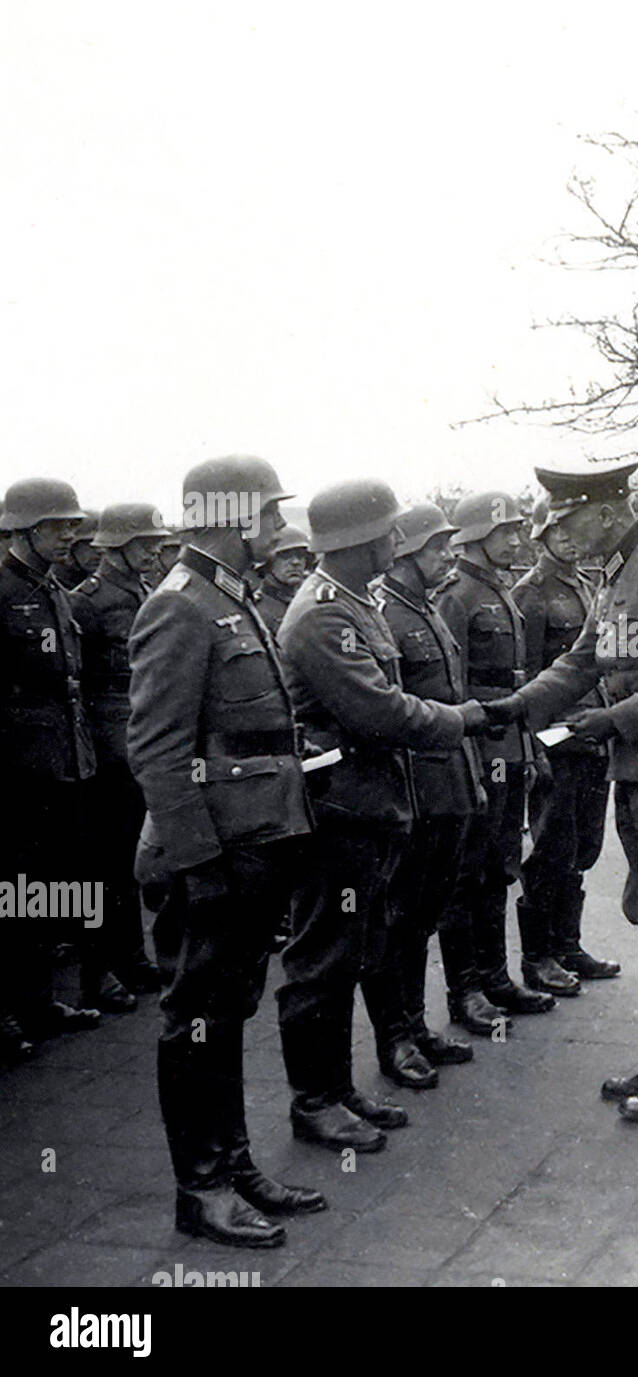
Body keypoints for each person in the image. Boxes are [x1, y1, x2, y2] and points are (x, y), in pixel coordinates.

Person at [485, 461, 638, 1121]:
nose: (560, 533)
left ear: (607, 509)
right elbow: (580, 661)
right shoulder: (619, 574)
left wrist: (614, 721)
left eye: (568, 519)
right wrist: (518, 706)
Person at [128, 456, 322, 1249]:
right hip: (213, 853)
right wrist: (198, 863)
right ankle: (200, 1187)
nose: (279, 530)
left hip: (252, 842)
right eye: (270, 516)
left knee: (229, 1008)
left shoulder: (227, 598)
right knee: (196, 1018)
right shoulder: (179, 608)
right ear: (235, 518)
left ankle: (234, 1163)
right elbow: (158, 749)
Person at [275, 480, 486, 1152]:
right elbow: (378, 709)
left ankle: (336, 1090)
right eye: (390, 533)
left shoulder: (353, 604)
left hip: (369, 807)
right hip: (337, 811)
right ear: (359, 541)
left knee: (351, 949)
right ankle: (314, 1101)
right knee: (322, 959)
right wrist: (459, 718)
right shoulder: (321, 616)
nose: (398, 543)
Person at [364, 502, 483, 1076]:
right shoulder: (384, 612)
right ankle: (396, 1039)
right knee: (397, 915)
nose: (449, 556)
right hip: (412, 789)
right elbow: (393, 711)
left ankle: (415, 1023)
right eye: (438, 547)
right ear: (407, 552)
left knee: (425, 912)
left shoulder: (428, 608)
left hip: (448, 784)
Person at [435, 492, 556, 1021]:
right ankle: (466, 992)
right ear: (477, 535)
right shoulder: (456, 595)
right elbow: (452, 689)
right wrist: (468, 758)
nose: (516, 539)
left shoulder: (498, 589)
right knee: (467, 873)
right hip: (476, 751)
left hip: (506, 746)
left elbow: (518, 683)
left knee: (500, 867)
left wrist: (527, 748)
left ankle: (495, 978)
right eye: (506, 531)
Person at [0, 479, 102, 1045]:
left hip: (63, 756)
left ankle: (38, 1003)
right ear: (26, 529)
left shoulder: (53, 590)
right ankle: (7, 1011)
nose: (70, 534)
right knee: (13, 889)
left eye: (71, 524)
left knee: (48, 888)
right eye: (58, 526)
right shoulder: (2, 590)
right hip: (18, 768)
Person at [513, 497, 619, 987]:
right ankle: (538, 957)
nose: (570, 540)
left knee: (582, 848)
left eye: (573, 531)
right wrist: (535, 748)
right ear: (541, 536)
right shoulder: (530, 594)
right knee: (552, 847)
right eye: (559, 532)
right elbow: (530, 679)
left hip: (590, 733)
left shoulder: (588, 584)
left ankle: (567, 946)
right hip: (556, 740)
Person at [69, 503, 169, 1015]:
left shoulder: (146, 593)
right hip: (108, 749)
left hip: (140, 735)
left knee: (131, 860)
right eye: (145, 544)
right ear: (119, 547)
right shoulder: (83, 603)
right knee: (105, 864)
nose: (154, 551)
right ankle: (99, 970)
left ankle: (130, 956)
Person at [253, 525, 312, 640]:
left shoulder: (309, 601)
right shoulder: (257, 608)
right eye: (286, 555)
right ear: (269, 563)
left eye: (300, 555)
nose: (295, 562)